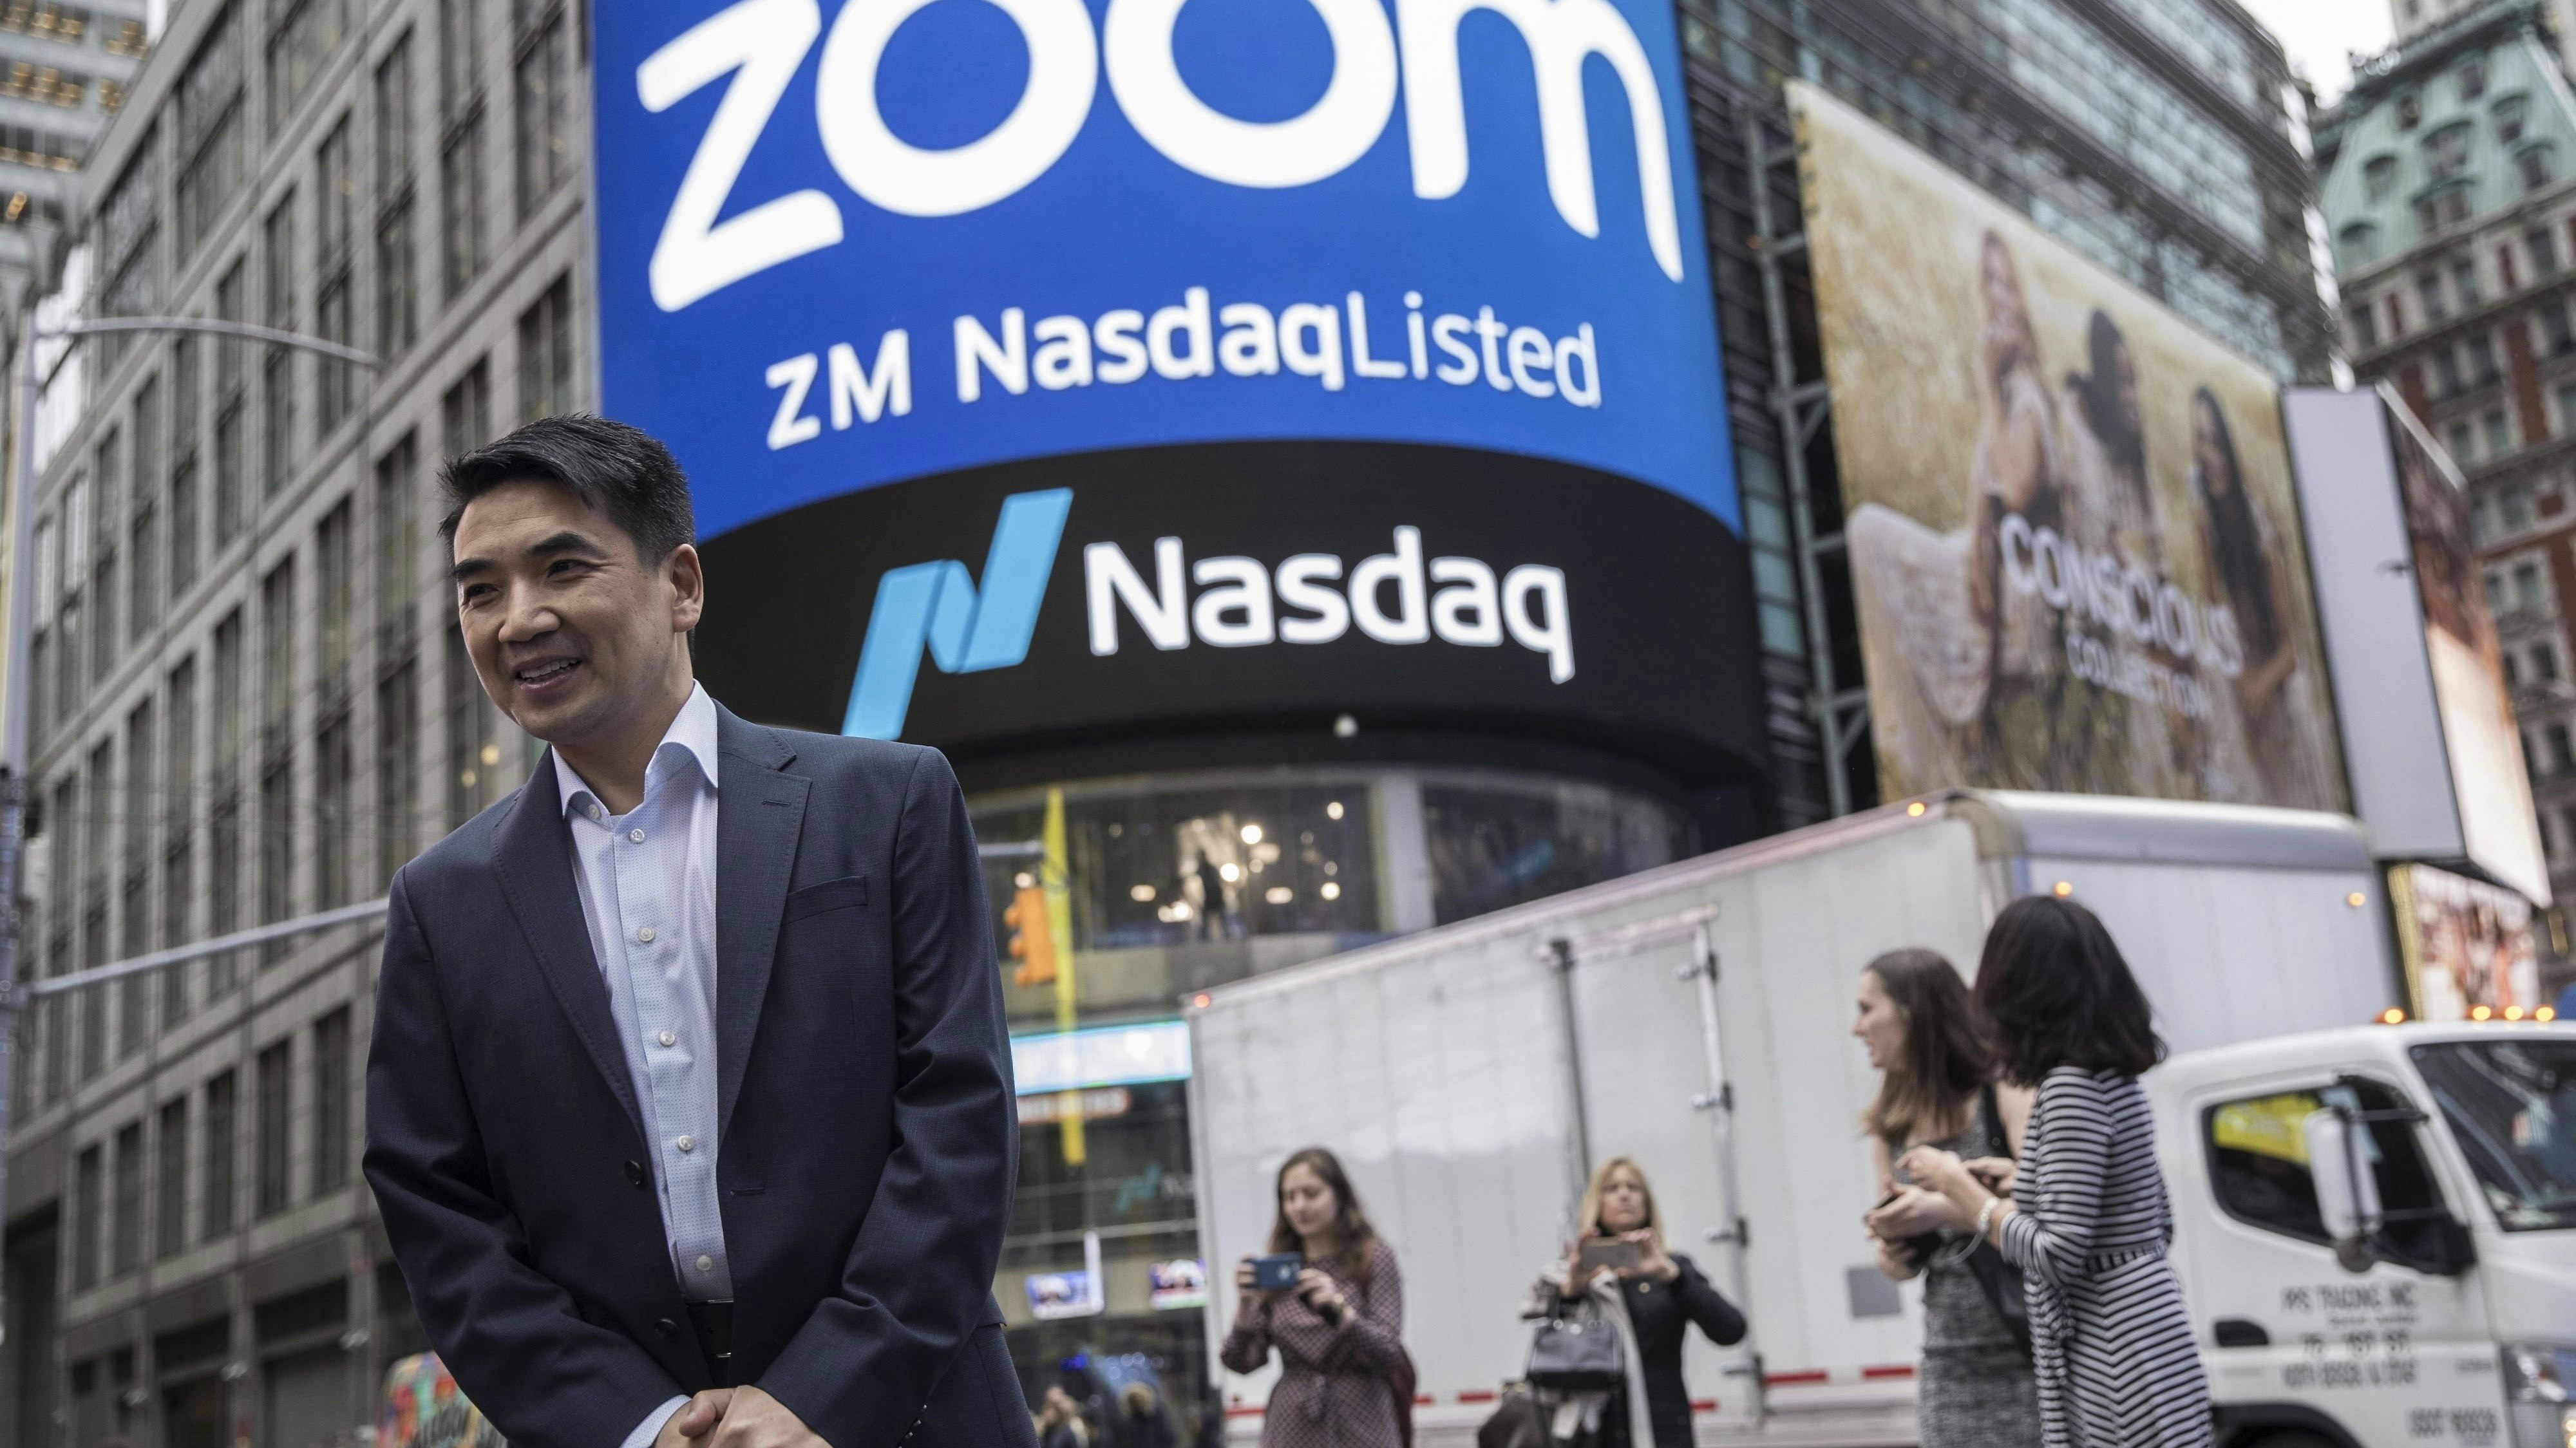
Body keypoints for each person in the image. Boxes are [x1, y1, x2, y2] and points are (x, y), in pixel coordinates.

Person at [363, 416, 1030, 1448]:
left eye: (562, 567)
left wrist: (822, 1392)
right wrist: (631, 1419)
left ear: (681, 585)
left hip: (912, 1409)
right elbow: (439, 1214)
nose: (518, 618)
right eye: (480, 588)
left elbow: (959, 1120)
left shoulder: (887, 802)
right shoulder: (441, 903)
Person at [1903, 897, 2214, 1448]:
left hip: (2110, 1340)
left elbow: (2057, 1252)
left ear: (2019, 989)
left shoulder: (2069, 1088)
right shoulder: (2113, 1079)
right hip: (2147, 1324)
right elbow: (2147, 1215)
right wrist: (2024, 1182)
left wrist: (1960, 1186)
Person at [1852, 951, 2038, 1448]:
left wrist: (1944, 1207)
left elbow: (2055, 1212)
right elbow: (1896, 1268)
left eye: (1867, 1008)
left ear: (1912, 1011)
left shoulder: (2006, 1092)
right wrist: (1894, 1244)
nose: (1857, 1027)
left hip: (2039, 1353)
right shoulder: (1889, 1122)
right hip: (1950, 1361)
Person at [1522, 1158, 1745, 1448]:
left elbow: (1731, 1331)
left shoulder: (1672, 1267)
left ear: (1647, 1201)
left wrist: (1671, 1276)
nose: (1624, 1195)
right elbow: (1549, 1358)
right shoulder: (1568, 1274)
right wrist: (1572, 1292)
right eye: (1612, 1188)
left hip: (1661, 1427)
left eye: (1633, 1187)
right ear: (1595, 1202)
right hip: (1591, 1432)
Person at [2191, 386, 2328, 807]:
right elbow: (2210, 613)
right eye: (2199, 441)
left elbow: (2293, 650)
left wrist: (2258, 687)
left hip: (2284, 709)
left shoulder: (2261, 526)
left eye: (2215, 441)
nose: (2207, 455)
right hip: (2245, 705)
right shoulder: (2204, 509)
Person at [1221, 1148, 1406, 1448]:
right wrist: (1243, 1306)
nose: (1299, 1206)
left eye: (1311, 1193)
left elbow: (1388, 1352)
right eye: (1289, 1197)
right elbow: (1239, 1362)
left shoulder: (1372, 1258)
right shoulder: (1279, 1269)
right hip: (1292, 1424)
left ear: (1339, 1195)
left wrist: (1341, 1314)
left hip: (1361, 1421)